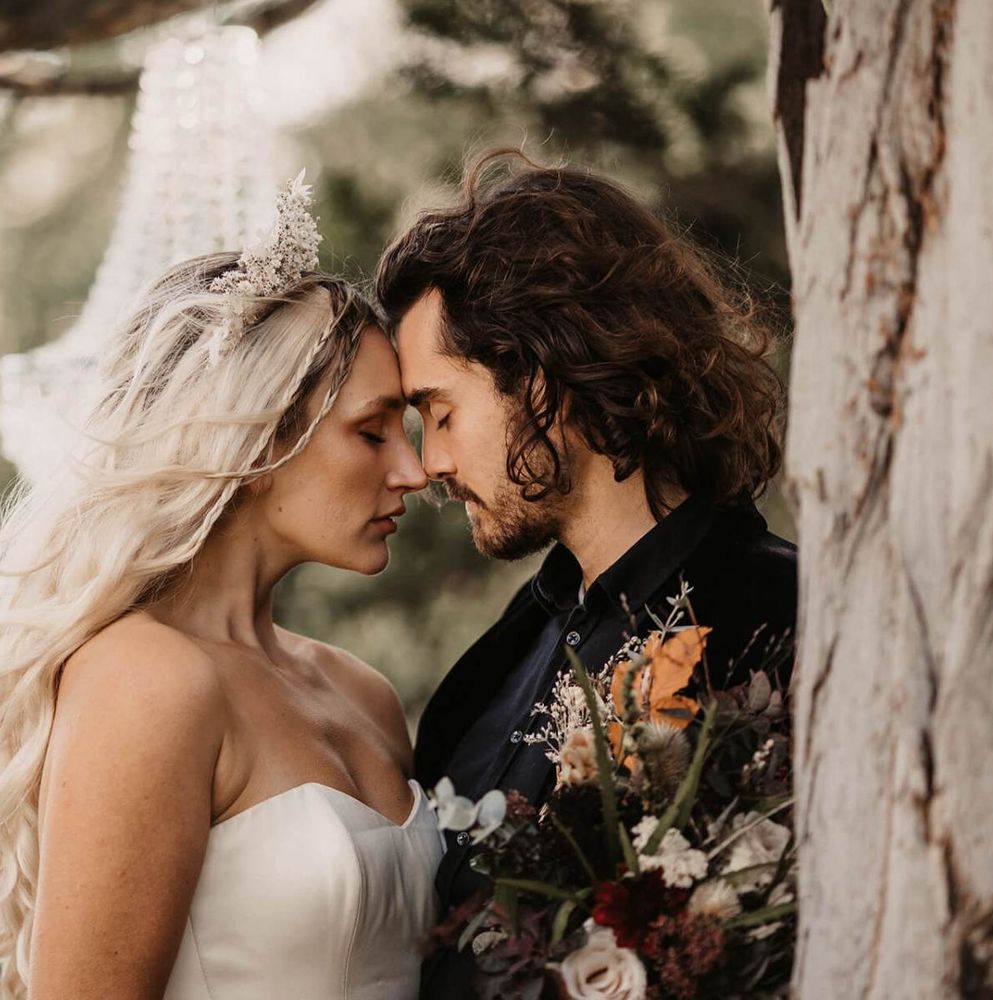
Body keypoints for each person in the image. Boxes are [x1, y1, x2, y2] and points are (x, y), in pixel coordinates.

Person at [0, 177, 441, 1000]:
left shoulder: (364, 694)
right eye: (372, 432)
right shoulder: (145, 680)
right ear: (257, 436)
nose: (412, 472)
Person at [375, 149, 799, 998]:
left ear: (542, 381)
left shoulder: (781, 616)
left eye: (442, 414)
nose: (431, 465)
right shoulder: (490, 669)